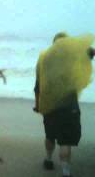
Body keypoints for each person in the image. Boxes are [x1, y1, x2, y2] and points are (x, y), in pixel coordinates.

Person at [34, 32, 95, 177]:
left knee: (50, 136)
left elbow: (37, 87)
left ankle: (48, 161)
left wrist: (38, 106)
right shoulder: (72, 58)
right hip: (69, 107)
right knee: (65, 141)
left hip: (48, 106)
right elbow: (90, 53)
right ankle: (66, 173)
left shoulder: (44, 59)